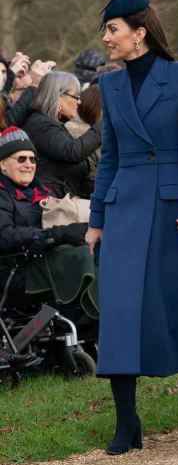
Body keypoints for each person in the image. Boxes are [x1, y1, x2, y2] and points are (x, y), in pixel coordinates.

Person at [84, 0, 178, 455]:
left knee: (176, 301)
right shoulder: (110, 83)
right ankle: (127, 422)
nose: (106, 38)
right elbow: (111, 157)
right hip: (123, 207)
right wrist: (96, 220)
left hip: (170, 205)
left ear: (139, 31)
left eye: (112, 28)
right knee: (119, 313)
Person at [0, 126, 97, 325]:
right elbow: (5, 236)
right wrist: (58, 234)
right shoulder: (3, 193)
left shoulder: (41, 191)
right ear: (2, 164)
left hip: (42, 261)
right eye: (21, 159)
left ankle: (93, 323)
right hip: (15, 271)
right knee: (79, 258)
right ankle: (86, 319)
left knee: (96, 250)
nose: (29, 164)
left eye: (32, 159)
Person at [21, 72, 102, 198]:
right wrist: (104, 124)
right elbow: (73, 152)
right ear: (58, 96)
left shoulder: (52, 125)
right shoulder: (40, 124)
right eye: (76, 96)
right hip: (48, 207)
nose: (79, 102)